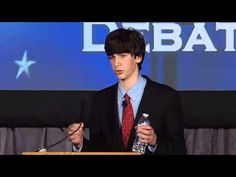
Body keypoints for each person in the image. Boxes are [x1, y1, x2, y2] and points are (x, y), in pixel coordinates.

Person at [68, 28, 186, 154]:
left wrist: (154, 142)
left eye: (122, 56)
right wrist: (80, 143)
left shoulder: (166, 97)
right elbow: (98, 150)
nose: (116, 63)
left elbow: (179, 150)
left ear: (138, 57)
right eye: (112, 57)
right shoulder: (100, 100)